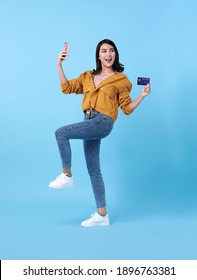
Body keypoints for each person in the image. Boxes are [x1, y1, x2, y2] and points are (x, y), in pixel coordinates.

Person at [49, 39, 151, 227]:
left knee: (61, 133)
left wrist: (141, 96)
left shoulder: (121, 80)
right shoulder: (88, 76)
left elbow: (127, 108)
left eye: (111, 50)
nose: (108, 54)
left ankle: (67, 175)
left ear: (115, 54)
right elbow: (66, 88)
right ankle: (102, 215)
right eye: (104, 51)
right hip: (88, 121)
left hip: (103, 122)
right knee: (94, 170)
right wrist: (59, 64)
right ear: (98, 55)